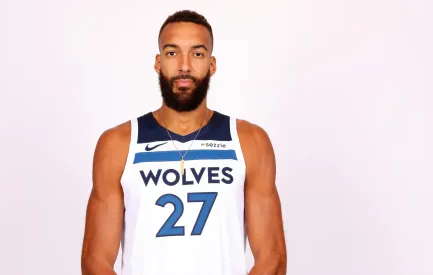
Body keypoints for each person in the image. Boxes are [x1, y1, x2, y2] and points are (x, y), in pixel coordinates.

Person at [81, 10, 287, 275]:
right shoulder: (118, 144)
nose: (184, 65)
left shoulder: (249, 141)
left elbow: (273, 256)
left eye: (197, 53)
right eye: (172, 53)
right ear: (158, 63)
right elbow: (95, 259)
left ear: (212, 64)